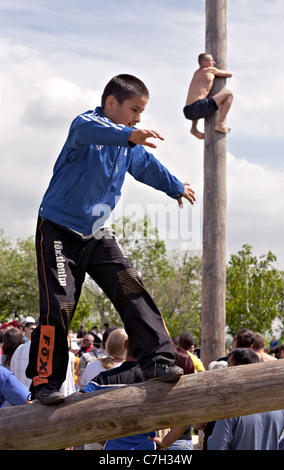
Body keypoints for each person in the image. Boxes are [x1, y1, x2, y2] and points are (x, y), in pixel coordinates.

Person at [26, 73, 196, 405]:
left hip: (97, 232)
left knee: (132, 287)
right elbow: (93, 130)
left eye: (141, 113)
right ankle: (45, 381)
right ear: (111, 103)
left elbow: (149, 166)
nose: (138, 118)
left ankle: (159, 361)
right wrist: (129, 134)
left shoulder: (129, 146)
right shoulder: (85, 126)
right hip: (58, 229)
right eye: (134, 110)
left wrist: (176, 186)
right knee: (59, 305)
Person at [207, 348, 284, 450]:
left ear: (238, 369)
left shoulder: (231, 407)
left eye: (229, 367)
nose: (226, 373)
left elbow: (217, 447)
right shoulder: (279, 403)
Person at [81, 337, 156, 450]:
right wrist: (167, 441)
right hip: (146, 446)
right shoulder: (154, 379)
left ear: (125, 345)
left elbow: (74, 404)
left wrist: (98, 437)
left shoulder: (103, 379)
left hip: (112, 446)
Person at [149, 346, 195, 450]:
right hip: (184, 443)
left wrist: (166, 442)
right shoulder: (189, 390)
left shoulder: (157, 388)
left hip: (166, 442)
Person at [183, 52, 233, 139]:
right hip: (198, 107)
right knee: (229, 94)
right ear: (204, 63)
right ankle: (220, 124)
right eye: (211, 61)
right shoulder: (210, 70)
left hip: (187, 110)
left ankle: (194, 128)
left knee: (200, 99)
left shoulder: (196, 72)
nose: (214, 63)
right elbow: (229, 74)